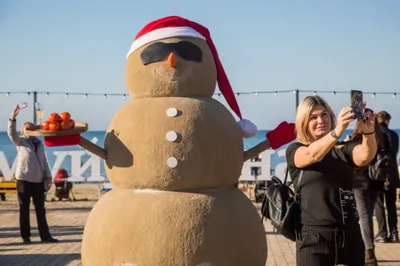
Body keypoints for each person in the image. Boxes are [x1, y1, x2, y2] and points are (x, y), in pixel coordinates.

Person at [286, 95, 377, 266]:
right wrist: (337, 131)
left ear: (331, 117)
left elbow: (366, 155)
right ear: (303, 122)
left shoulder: (343, 149)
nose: (320, 120)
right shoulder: (296, 150)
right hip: (313, 237)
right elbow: (312, 155)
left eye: (324, 115)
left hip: (349, 234)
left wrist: (369, 131)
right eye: (313, 117)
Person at [8, 105, 57, 244]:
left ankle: (45, 236)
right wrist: (13, 117)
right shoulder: (20, 142)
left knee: (41, 211)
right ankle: (26, 237)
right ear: (23, 131)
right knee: (24, 210)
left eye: (31, 128)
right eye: (27, 128)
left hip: (38, 182)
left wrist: (48, 177)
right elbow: (11, 133)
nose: (29, 130)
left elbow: (44, 162)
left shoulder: (40, 144)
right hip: (23, 180)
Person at [344, 109, 385, 266]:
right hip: (376, 181)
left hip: (359, 182)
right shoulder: (382, 138)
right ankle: (369, 252)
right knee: (369, 215)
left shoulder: (356, 138)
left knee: (364, 217)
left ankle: (369, 254)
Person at [374, 111, 399, 243]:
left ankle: (382, 233)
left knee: (379, 205)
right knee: (391, 205)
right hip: (392, 173)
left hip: (378, 174)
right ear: (387, 120)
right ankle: (394, 234)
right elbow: (393, 154)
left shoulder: (376, 135)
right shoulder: (394, 135)